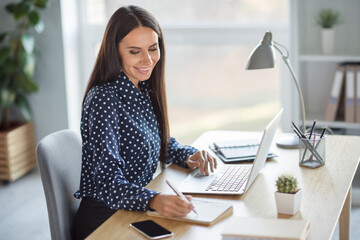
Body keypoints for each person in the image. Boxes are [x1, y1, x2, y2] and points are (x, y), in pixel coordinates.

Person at [72, 5, 217, 239]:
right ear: (114, 51)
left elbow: (157, 141)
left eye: (153, 48)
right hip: (105, 222)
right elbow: (108, 182)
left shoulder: (142, 88)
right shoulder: (103, 99)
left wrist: (188, 156)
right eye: (134, 51)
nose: (147, 59)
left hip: (133, 212)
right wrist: (154, 200)